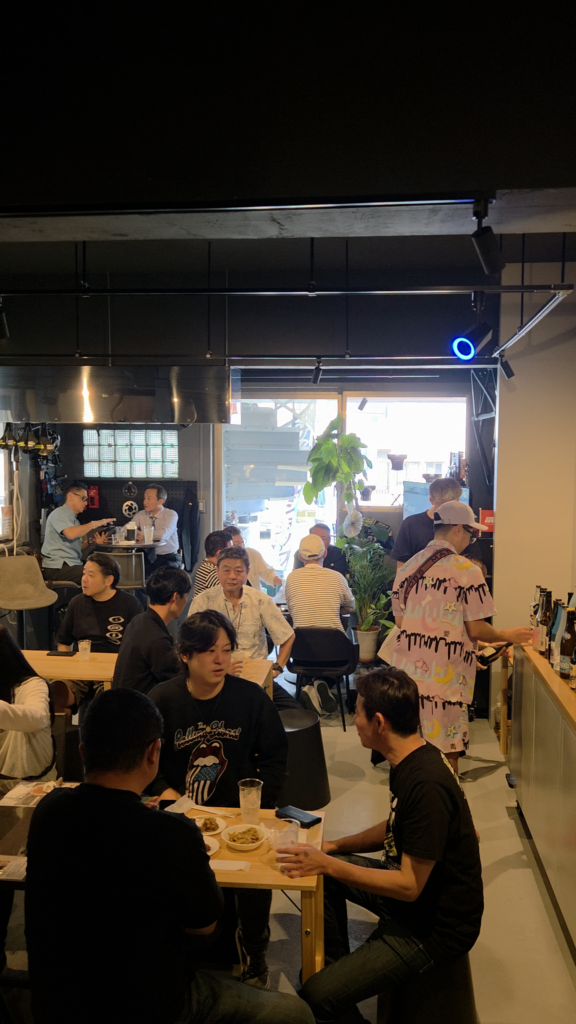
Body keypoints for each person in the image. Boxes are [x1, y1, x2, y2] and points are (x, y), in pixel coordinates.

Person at [25, 688, 311, 1024]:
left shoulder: (48, 811)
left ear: (82, 751)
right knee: (296, 1013)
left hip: (56, 1004)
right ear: (153, 752)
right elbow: (204, 927)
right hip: (151, 1007)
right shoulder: (173, 832)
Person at [277, 668, 484, 1024]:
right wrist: (333, 847)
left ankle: (334, 989)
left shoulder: (426, 785)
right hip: (416, 903)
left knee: (316, 998)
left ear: (378, 722)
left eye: (357, 712)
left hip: (434, 927)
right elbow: (396, 825)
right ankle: (338, 971)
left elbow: (409, 886)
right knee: (325, 876)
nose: (355, 720)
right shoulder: (410, 757)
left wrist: (328, 863)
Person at [149, 611, 289, 989]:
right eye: (210, 651)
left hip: (240, 816)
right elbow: (147, 763)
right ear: (185, 654)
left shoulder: (250, 697)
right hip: (181, 817)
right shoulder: (162, 700)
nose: (220, 660)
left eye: (226, 650)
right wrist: (170, 798)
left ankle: (255, 951)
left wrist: (260, 806)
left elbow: (275, 757)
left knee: (255, 879)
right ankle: (185, 950)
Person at [387, 501, 532, 773]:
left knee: (407, 751)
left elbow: (401, 622)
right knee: (446, 753)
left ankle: (408, 798)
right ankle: (446, 800)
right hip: (445, 681)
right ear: (457, 530)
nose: (470, 540)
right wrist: (507, 635)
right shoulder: (467, 570)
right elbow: (476, 629)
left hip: (405, 677)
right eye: (471, 533)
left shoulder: (406, 568)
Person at [189, 547, 297, 710]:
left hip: (257, 680)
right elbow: (191, 645)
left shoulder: (260, 600)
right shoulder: (203, 602)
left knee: (296, 712)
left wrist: (277, 668)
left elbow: (287, 636)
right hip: (216, 679)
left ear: (248, 571)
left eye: (238, 571)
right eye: (226, 570)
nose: (232, 576)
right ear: (217, 570)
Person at [55, 552, 142, 710]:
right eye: (84, 574)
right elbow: (63, 642)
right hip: (81, 668)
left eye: (91, 575)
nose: (84, 579)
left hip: (114, 670)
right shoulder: (77, 603)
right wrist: (66, 670)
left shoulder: (130, 604)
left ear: (108, 580)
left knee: (106, 703)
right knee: (54, 692)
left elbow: (140, 647)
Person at [286, 533, 356, 715]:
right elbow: (351, 607)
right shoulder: (337, 578)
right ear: (325, 553)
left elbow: (292, 611)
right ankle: (319, 683)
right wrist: (333, 607)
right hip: (336, 654)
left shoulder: (291, 579)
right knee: (334, 668)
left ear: (300, 556)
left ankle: (311, 686)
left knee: (311, 660)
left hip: (301, 654)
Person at [112, 566, 191, 694]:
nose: (186, 601)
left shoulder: (139, 621)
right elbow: (179, 681)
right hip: (140, 704)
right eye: (186, 596)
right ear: (175, 597)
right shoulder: (157, 639)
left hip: (123, 699)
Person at [41, 482, 116, 584]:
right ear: (70, 496)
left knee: (103, 570)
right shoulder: (59, 513)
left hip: (71, 564)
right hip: (58, 567)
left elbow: (74, 546)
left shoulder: (75, 521)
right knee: (97, 576)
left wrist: (90, 542)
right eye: (83, 499)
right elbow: (71, 534)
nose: (86, 503)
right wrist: (94, 524)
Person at [390, 477, 462, 567]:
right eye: (443, 505)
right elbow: (402, 568)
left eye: (453, 505)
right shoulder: (411, 525)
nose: (449, 510)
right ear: (431, 500)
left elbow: (473, 562)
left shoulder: (462, 524)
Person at [132, 483, 181, 574]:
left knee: (165, 579)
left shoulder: (170, 514)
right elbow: (126, 529)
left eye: (149, 499)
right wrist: (133, 533)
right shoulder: (140, 515)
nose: (145, 502)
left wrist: (142, 535)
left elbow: (162, 535)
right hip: (147, 557)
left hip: (168, 557)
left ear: (160, 501)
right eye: (144, 498)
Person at [223, 524, 282, 592]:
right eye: (237, 544)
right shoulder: (224, 562)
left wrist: (284, 582)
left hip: (256, 596)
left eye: (242, 542)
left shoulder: (252, 553)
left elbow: (267, 573)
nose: (241, 546)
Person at [192, 530, 233, 597]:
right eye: (230, 551)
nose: (233, 554)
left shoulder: (206, 565)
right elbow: (231, 595)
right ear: (219, 554)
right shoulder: (211, 572)